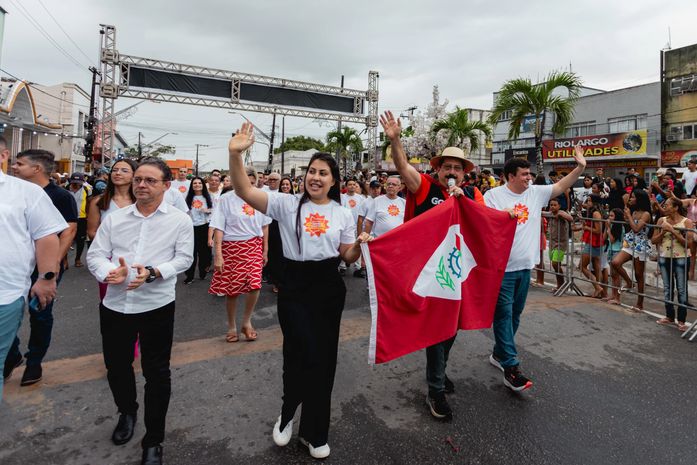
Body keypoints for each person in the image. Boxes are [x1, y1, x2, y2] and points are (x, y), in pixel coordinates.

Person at [228, 122, 370, 459]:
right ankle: (288, 410)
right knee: (299, 351)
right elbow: (244, 190)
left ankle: (314, 432)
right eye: (311, 171)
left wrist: (359, 247)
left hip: (328, 286)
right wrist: (235, 155)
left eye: (323, 173)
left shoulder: (342, 213)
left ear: (333, 181)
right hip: (294, 284)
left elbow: (346, 255)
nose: (315, 177)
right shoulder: (285, 203)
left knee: (324, 358)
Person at [86, 157, 194, 465]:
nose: (142, 185)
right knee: (117, 366)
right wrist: (110, 272)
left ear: (166, 185)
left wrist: (154, 272)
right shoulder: (116, 219)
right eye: (138, 180)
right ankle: (127, 411)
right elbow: (96, 255)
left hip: (156, 305)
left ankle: (154, 440)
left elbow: (184, 258)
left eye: (150, 180)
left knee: (157, 373)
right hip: (115, 305)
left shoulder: (179, 220)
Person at [381, 110, 483, 420]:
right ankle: (436, 388)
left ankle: (439, 372)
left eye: (457, 168)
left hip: (457, 272)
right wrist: (395, 140)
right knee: (438, 329)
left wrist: (465, 203)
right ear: (437, 169)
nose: (452, 172)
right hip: (429, 272)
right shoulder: (424, 186)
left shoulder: (472, 193)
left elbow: (484, 224)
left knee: (451, 328)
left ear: (464, 174)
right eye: (447, 167)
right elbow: (402, 167)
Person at [483, 144, 586, 392]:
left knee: (515, 315)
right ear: (510, 176)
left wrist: (580, 167)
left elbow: (561, 186)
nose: (529, 178)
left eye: (529, 174)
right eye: (524, 174)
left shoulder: (536, 193)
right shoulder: (493, 196)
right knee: (503, 315)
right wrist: (500, 215)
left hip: (524, 267)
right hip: (502, 270)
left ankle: (499, 353)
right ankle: (511, 367)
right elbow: (483, 224)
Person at [0, 137, 66, 402]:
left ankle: (33, 361)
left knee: (40, 318)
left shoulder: (26, 192)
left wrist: (47, 277)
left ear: (3, 155)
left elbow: (49, 236)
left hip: (6, 293)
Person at [209, 167, 270, 341]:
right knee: (232, 290)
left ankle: (246, 322)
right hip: (232, 248)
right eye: (244, 182)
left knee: (255, 285)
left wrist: (265, 250)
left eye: (252, 183)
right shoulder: (226, 199)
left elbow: (265, 226)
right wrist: (218, 255)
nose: (248, 186)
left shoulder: (260, 197)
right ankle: (231, 326)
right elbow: (218, 227)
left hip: (254, 245)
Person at [651, 197, 692, 332]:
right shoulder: (661, 220)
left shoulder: (687, 222)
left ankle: (681, 320)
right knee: (667, 288)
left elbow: (689, 244)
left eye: (667, 205)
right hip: (664, 257)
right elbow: (653, 240)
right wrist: (663, 232)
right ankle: (669, 315)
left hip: (681, 258)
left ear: (675, 208)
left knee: (681, 289)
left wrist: (673, 231)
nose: (664, 207)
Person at [609, 189, 652, 312]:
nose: (631, 199)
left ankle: (640, 304)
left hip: (641, 245)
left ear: (639, 199)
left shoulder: (646, 214)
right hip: (630, 242)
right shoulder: (634, 212)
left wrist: (628, 217)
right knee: (615, 262)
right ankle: (629, 282)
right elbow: (630, 226)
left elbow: (637, 229)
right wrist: (627, 216)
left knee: (639, 275)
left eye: (633, 197)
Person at [266, 177, 294, 293]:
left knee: (288, 258)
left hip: (289, 231)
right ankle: (276, 282)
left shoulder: (295, 199)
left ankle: (288, 281)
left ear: (291, 187)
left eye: (287, 184)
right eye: (283, 184)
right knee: (277, 257)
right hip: (276, 230)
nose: (285, 186)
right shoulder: (276, 198)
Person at [184, 177, 213, 284]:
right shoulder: (188, 198)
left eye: (199, 183)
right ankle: (189, 276)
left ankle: (203, 272)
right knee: (191, 252)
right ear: (192, 185)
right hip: (191, 228)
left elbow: (215, 210)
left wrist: (208, 210)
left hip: (205, 227)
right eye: (195, 183)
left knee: (204, 252)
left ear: (203, 185)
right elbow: (184, 212)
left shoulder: (208, 197)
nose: (197, 185)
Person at [575, 194, 605, 299]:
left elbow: (598, 230)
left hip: (593, 241)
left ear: (594, 202)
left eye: (589, 201)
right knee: (596, 266)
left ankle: (597, 287)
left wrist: (586, 227)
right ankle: (599, 290)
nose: (587, 203)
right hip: (593, 241)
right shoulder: (592, 212)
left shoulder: (596, 213)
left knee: (582, 266)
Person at [544, 198, 573, 293]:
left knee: (555, 263)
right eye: (551, 205)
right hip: (552, 243)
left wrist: (561, 214)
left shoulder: (561, 213)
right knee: (556, 265)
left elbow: (570, 218)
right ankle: (559, 285)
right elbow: (542, 213)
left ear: (559, 206)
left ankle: (562, 283)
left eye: (554, 205)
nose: (552, 207)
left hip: (561, 243)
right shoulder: (550, 214)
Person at [67, 172, 92, 267]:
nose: (76, 184)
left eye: (78, 182)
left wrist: (88, 215)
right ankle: (64, 259)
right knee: (67, 238)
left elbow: (89, 203)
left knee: (80, 239)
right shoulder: (66, 188)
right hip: (68, 217)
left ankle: (77, 259)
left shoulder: (87, 189)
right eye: (74, 182)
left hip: (82, 218)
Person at [604, 208, 626, 304]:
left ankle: (617, 297)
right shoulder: (612, 226)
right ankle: (613, 295)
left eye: (612, 216)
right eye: (609, 215)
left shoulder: (619, 227)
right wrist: (606, 228)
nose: (609, 217)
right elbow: (604, 238)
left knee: (616, 276)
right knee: (613, 275)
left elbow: (612, 240)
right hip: (610, 250)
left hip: (617, 251)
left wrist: (608, 229)